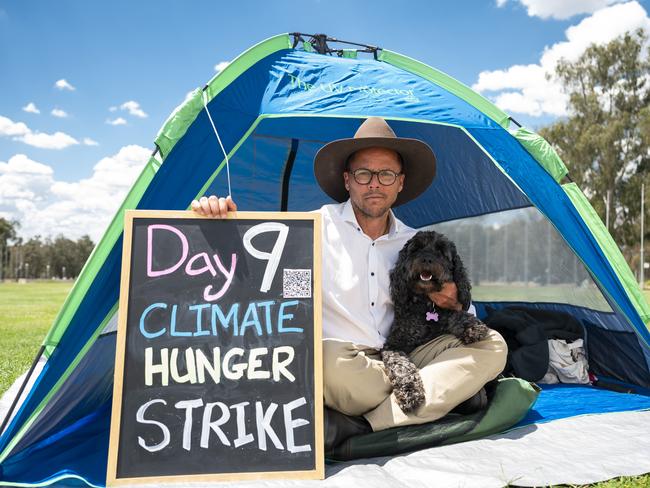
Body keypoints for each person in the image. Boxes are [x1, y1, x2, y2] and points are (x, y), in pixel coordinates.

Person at [192, 117, 507, 450]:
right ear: (347, 180)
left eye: (386, 175)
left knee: (492, 345)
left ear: (400, 183)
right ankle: (440, 395)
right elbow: (262, 285)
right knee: (320, 358)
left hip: (407, 356)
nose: (375, 184)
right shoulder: (310, 230)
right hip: (349, 366)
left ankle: (362, 425)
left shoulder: (418, 243)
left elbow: (463, 315)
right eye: (363, 174)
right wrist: (217, 230)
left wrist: (453, 301)